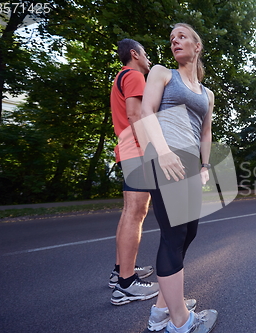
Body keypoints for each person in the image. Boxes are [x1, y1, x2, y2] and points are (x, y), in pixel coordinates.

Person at [137, 23, 218, 333]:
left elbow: (206, 131)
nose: (175, 41)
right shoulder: (161, 73)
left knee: (188, 234)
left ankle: (161, 311)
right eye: (172, 39)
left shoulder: (207, 93)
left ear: (197, 46)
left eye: (182, 36)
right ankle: (182, 322)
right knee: (173, 236)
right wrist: (163, 151)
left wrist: (205, 166)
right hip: (164, 157)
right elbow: (146, 111)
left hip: (189, 163)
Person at [108, 38, 160, 305]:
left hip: (127, 149)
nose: (148, 58)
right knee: (136, 213)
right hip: (137, 151)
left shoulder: (121, 76)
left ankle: (120, 271)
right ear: (134, 54)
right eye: (146, 53)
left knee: (130, 212)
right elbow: (135, 114)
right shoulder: (134, 75)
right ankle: (127, 284)